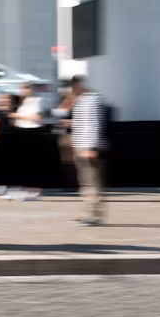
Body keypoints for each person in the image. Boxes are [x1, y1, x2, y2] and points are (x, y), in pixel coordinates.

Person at [64, 76, 108, 225]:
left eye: (73, 86)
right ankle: (87, 211)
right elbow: (82, 122)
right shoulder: (80, 100)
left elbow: (94, 124)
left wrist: (92, 147)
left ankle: (96, 215)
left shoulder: (93, 99)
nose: (72, 90)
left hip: (89, 146)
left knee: (93, 181)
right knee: (85, 181)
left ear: (79, 84)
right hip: (80, 145)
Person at [4, 83, 53, 201]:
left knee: (34, 163)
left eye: (25, 88)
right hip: (22, 132)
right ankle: (27, 189)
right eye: (22, 88)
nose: (23, 91)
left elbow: (38, 118)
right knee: (24, 163)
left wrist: (17, 116)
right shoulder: (22, 103)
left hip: (33, 133)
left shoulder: (37, 101)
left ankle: (35, 191)